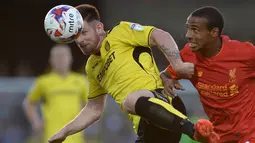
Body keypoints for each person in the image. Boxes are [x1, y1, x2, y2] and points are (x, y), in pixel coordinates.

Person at [48, 4, 219, 143]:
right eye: (76, 36)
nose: (80, 40)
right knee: (130, 102)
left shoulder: (120, 32)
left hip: (164, 102)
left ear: (99, 28)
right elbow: (93, 109)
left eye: (84, 32)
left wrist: (177, 64)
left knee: (128, 100)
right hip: (146, 126)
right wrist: (64, 132)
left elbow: (159, 35)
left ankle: (194, 130)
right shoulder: (92, 66)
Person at [161, 6, 255, 143]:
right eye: (188, 28)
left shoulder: (244, 53)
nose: (188, 35)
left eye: (195, 30)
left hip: (250, 133)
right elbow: (165, 74)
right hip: (219, 136)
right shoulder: (187, 55)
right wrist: (166, 79)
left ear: (214, 32)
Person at [23, 44, 89, 143]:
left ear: (70, 58)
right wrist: (36, 122)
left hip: (75, 137)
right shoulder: (43, 81)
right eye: (57, 56)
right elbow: (28, 103)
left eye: (63, 56)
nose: (60, 59)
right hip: (52, 135)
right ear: (51, 60)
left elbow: (92, 104)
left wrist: (85, 121)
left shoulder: (81, 81)